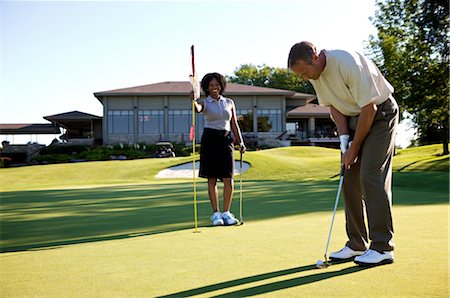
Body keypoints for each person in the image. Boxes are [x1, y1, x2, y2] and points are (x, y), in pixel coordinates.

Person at [288, 41, 399, 266]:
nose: (305, 79)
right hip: (355, 119)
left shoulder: (347, 63)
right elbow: (335, 108)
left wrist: (355, 148)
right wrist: (344, 143)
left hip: (380, 115)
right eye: (301, 75)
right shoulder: (316, 76)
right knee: (349, 177)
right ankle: (357, 243)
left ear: (315, 57)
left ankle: (382, 247)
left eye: (305, 72)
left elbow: (370, 109)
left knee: (370, 174)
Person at [191, 72, 246, 226]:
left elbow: (234, 123)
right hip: (210, 139)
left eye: (216, 85)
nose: (214, 88)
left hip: (226, 139)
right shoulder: (205, 102)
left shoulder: (229, 102)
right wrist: (193, 100)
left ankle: (226, 213)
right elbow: (197, 109)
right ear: (207, 88)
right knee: (212, 178)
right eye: (211, 86)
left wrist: (240, 141)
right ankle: (216, 214)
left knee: (228, 177)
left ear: (221, 86)